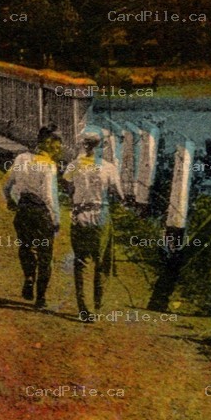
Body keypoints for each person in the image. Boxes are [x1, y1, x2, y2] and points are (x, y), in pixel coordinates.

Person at [65, 131, 125, 323]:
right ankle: (98, 303)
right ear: (102, 147)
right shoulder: (109, 167)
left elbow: (68, 187)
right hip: (101, 214)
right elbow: (119, 194)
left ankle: (84, 308)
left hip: (80, 215)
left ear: (84, 146)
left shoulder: (74, 165)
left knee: (81, 262)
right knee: (102, 261)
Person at [0, 128, 62, 309]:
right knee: (45, 255)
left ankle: (28, 276)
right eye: (55, 145)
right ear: (48, 144)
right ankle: (41, 298)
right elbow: (49, 196)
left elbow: (6, 185)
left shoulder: (21, 158)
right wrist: (56, 218)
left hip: (24, 210)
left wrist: (10, 200)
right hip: (41, 213)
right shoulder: (49, 165)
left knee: (25, 247)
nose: (57, 149)